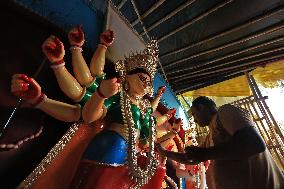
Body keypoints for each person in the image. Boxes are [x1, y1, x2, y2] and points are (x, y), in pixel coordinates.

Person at [13, 26, 181, 189]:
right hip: (110, 149)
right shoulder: (116, 95)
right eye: (142, 78)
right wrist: (100, 94)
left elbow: (150, 139)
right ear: (126, 76)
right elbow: (87, 116)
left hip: (130, 158)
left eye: (149, 82)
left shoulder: (144, 109)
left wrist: (171, 130)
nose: (146, 84)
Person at [157, 96, 284, 189]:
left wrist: (205, 154)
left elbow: (254, 143)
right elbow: (190, 158)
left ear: (201, 107)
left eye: (194, 114)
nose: (194, 120)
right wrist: (163, 152)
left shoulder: (225, 112)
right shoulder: (210, 135)